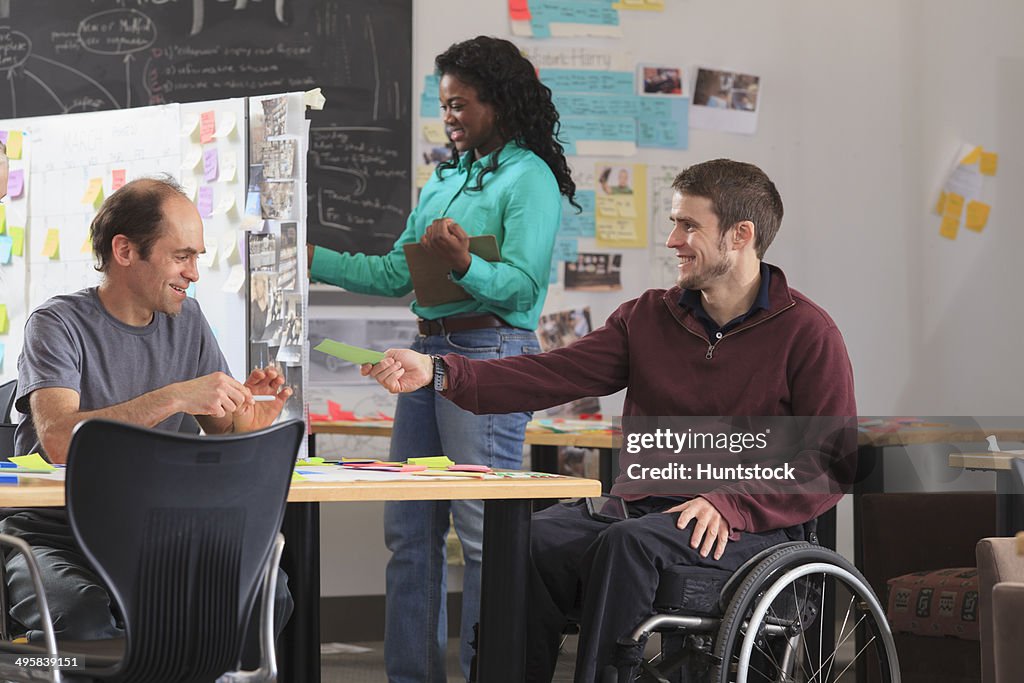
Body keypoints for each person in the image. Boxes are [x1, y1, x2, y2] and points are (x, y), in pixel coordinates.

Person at [364, 159, 857, 682]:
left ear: (741, 235)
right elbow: (550, 374)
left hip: (748, 527)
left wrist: (733, 503)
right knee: (527, 541)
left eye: (689, 226)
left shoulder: (807, 332)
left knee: (629, 546)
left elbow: (829, 463)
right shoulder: (647, 317)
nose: (672, 240)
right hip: (644, 509)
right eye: (674, 223)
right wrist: (439, 371)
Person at [308, 35, 577, 682]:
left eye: (461, 104)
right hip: (428, 351)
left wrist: (464, 262)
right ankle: (413, 675)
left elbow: (521, 288)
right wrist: (303, 255)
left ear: (499, 103)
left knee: (481, 533)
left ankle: (492, 671)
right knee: (408, 528)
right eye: (444, 105)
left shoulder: (529, 176)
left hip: (491, 353)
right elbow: (390, 273)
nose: (449, 117)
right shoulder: (447, 176)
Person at [3, 177, 294, 663]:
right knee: (86, 620)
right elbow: (58, 441)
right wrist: (176, 396)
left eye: (198, 256)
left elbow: (221, 430)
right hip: (57, 534)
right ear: (124, 250)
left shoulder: (190, 321)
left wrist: (248, 418)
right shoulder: (56, 325)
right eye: (181, 256)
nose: (194, 272)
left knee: (267, 592)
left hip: (160, 530)